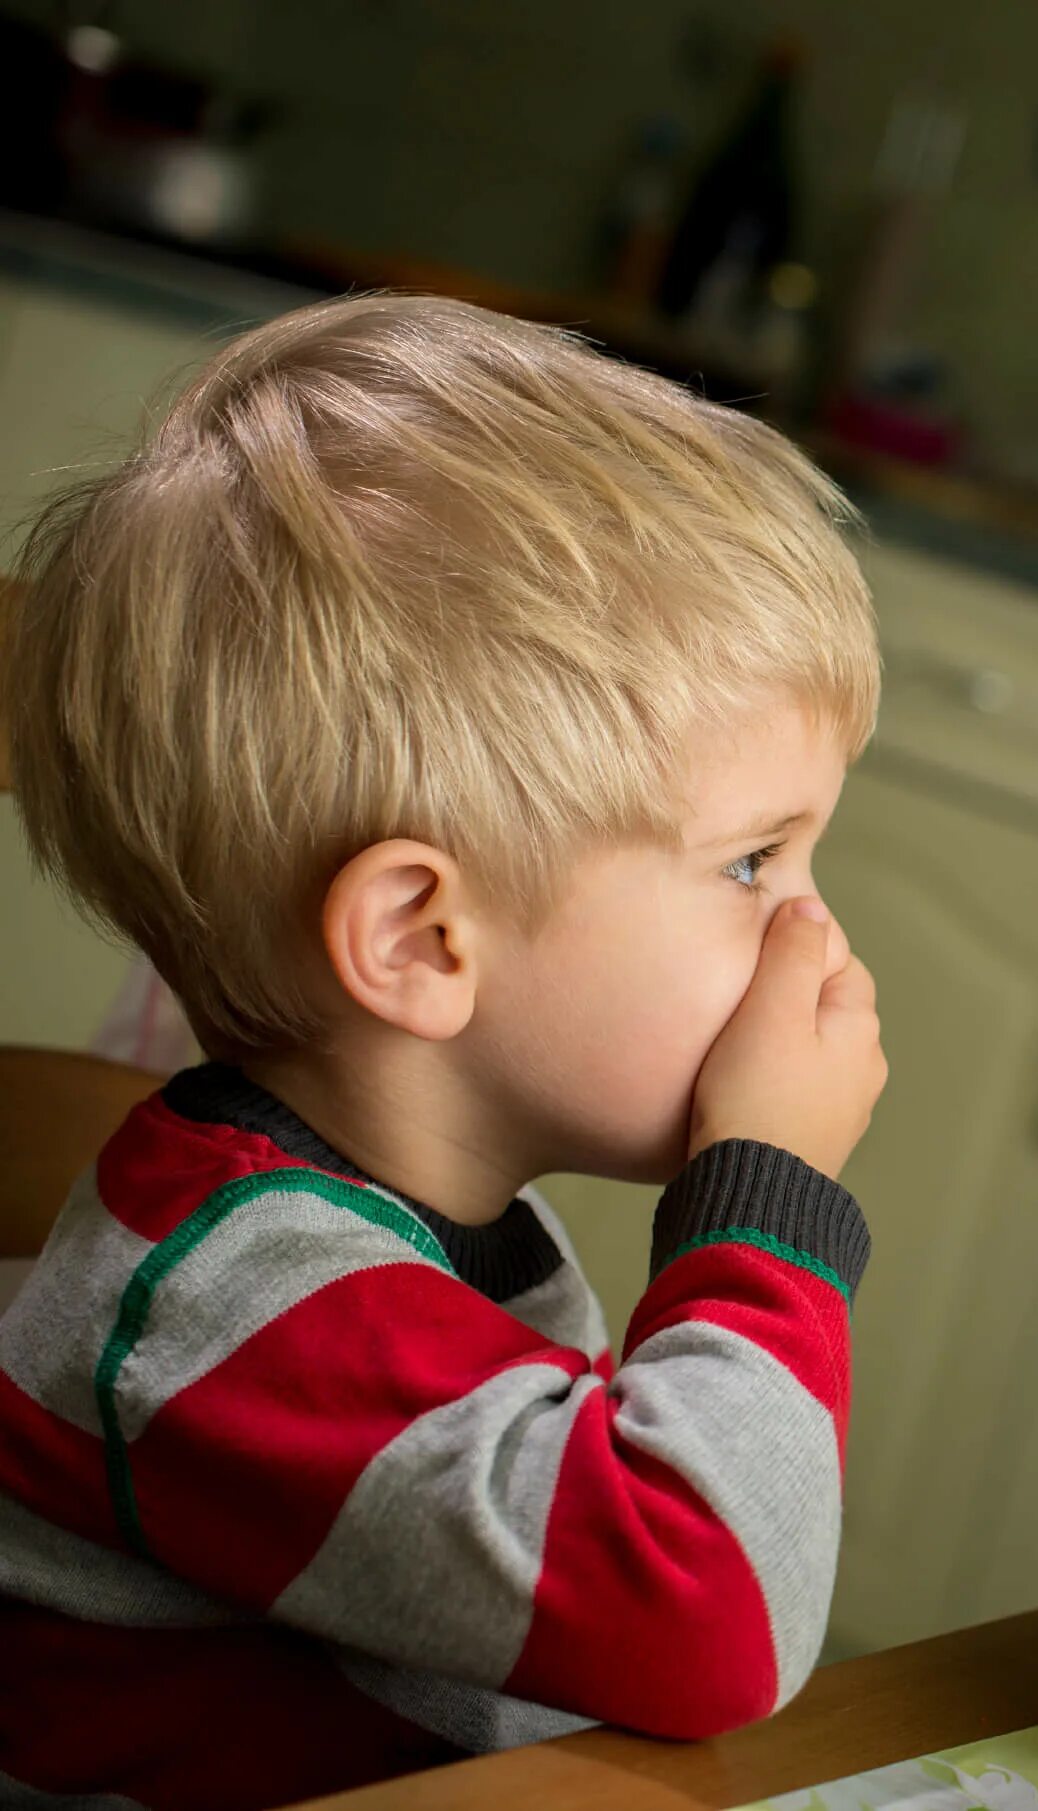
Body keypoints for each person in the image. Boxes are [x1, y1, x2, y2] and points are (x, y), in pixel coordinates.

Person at [0, 294, 888, 1809]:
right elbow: (704, 1616)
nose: (812, 934)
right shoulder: (233, 1308)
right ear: (420, 941)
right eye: (754, 864)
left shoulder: (424, 1234)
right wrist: (765, 1203)